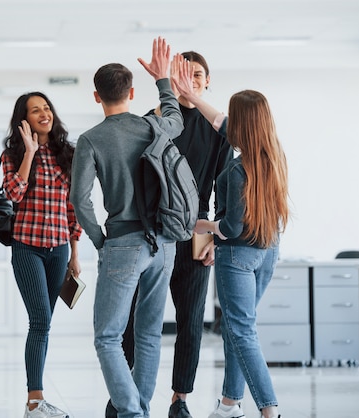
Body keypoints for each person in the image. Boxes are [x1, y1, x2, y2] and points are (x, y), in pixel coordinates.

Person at [69, 37, 192, 418]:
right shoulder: (154, 126)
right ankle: (139, 407)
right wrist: (164, 81)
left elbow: (80, 199)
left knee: (107, 336)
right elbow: (177, 117)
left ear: (96, 97)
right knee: (149, 333)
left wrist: (100, 240)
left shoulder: (91, 140)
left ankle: (131, 412)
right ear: (131, 92)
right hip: (165, 242)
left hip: (123, 242)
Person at [109, 51, 233, 418]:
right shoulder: (151, 121)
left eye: (197, 74)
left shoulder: (218, 129)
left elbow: (224, 187)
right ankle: (125, 395)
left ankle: (180, 399)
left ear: (207, 81)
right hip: (152, 233)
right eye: (182, 72)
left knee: (191, 321)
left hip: (197, 229)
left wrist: (215, 238)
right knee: (135, 321)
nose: (190, 79)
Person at [174, 76, 288, 418]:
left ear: (244, 124)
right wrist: (193, 95)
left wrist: (201, 226)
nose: (227, 121)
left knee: (241, 331)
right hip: (267, 251)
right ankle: (229, 404)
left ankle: (269, 410)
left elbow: (230, 227)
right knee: (240, 331)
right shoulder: (273, 155)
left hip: (237, 256)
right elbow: (220, 123)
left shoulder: (239, 169)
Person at [1, 92, 83, 418]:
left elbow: (72, 207)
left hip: (59, 249)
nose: (43, 113)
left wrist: (75, 253)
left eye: (46, 108)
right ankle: (34, 401)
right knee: (40, 320)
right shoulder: (13, 154)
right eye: (35, 110)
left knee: (45, 324)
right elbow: (14, 193)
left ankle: (36, 401)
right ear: (24, 119)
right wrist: (30, 153)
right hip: (27, 247)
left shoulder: (68, 154)